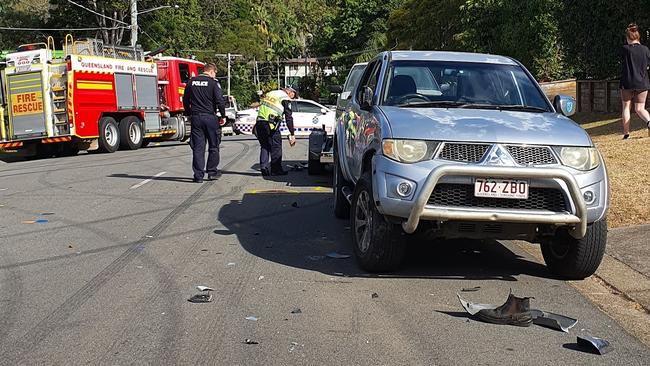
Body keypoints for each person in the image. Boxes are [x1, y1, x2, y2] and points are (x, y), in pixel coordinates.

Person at [183, 63, 226, 183]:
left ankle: (198, 175)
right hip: (210, 117)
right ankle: (212, 172)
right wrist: (223, 115)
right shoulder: (213, 83)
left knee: (198, 148)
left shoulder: (191, 82)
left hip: (196, 118)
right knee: (214, 146)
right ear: (212, 71)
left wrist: (188, 114)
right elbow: (220, 101)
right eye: (215, 73)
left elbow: (186, 100)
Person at [255, 87, 296, 176]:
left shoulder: (271, 93)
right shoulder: (285, 97)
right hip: (270, 124)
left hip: (259, 122)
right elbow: (288, 117)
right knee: (276, 146)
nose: (293, 97)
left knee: (264, 146)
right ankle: (276, 170)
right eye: (293, 94)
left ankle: (264, 167)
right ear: (289, 92)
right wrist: (292, 133)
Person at [619, 23, 650, 139]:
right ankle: (649, 122)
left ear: (627, 38)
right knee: (640, 108)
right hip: (642, 82)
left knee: (626, 107)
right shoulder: (645, 49)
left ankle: (626, 134)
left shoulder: (625, 49)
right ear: (638, 36)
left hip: (627, 82)